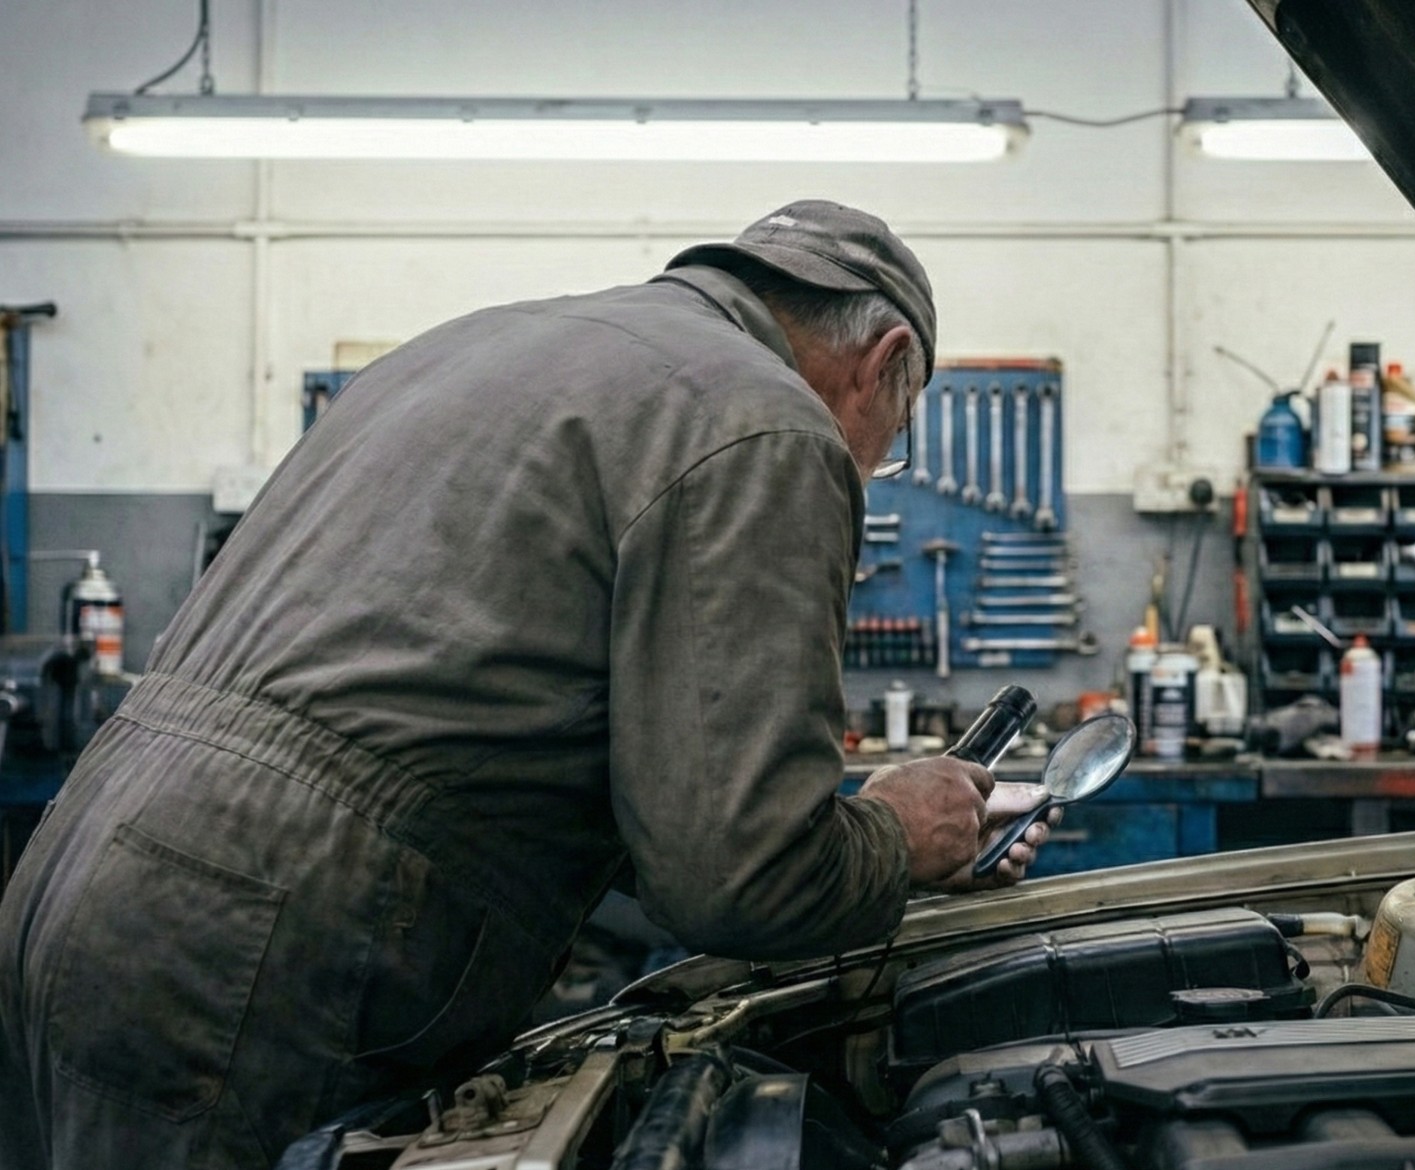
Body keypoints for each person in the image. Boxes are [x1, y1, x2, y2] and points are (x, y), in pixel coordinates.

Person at [0, 200, 1055, 1168]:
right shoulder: (766, 421)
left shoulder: (480, 343)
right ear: (887, 360)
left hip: (87, 877)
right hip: (258, 953)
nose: (870, 469)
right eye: (890, 451)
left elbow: (496, 731)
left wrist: (868, 836)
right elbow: (738, 879)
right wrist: (889, 838)